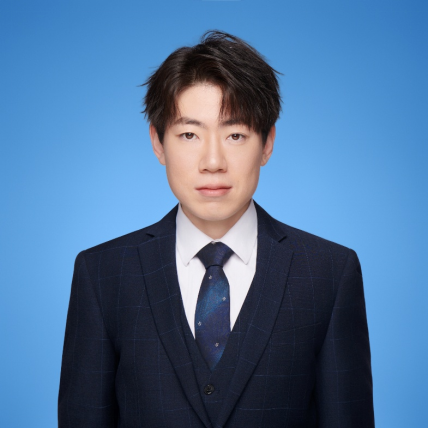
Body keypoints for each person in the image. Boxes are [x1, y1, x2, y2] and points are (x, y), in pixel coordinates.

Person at [58, 31, 374, 428]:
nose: (212, 161)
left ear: (267, 143)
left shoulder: (328, 273)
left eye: (235, 135)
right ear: (158, 142)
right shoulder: (104, 274)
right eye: (189, 134)